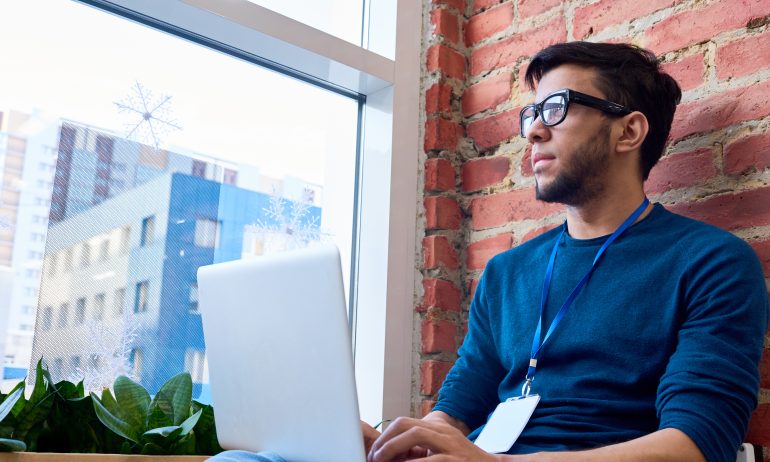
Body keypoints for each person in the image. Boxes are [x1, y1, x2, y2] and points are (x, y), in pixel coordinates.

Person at [209, 41, 769, 462]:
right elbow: (457, 413)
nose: (532, 133)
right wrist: (395, 441)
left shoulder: (710, 262)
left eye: (556, 109)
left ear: (629, 132)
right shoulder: (508, 272)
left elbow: (700, 444)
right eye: (531, 115)